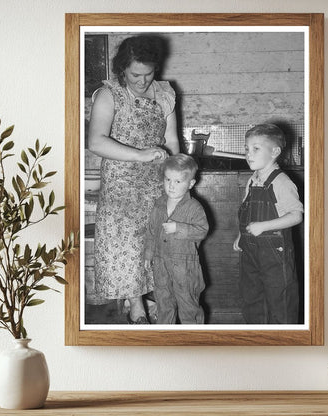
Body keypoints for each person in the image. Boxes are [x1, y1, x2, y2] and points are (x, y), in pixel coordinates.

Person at [88, 35, 180, 324]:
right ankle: (137, 306)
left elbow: (172, 141)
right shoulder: (109, 95)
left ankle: (154, 299)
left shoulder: (165, 95)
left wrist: (177, 174)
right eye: (135, 74)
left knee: (154, 242)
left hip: (156, 182)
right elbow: (96, 142)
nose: (142, 81)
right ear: (122, 70)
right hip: (121, 184)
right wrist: (140, 155)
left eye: (148, 73)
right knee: (126, 244)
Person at [233, 124, 303, 324]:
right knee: (252, 298)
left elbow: (296, 216)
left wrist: (263, 226)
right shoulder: (253, 180)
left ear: (275, 152)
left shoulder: (281, 182)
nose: (248, 154)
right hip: (251, 253)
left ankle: (284, 343)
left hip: (275, 255)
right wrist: (241, 235)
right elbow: (247, 214)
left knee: (280, 300)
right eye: (247, 149)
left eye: (256, 149)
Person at [144, 154, 209, 324]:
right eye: (167, 180)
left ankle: (193, 340)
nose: (171, 186)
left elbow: (202, 231)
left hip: (185, 266)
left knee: (188, 305)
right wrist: (148, 254)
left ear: (191, 184)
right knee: (164, 302)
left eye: (178, 182)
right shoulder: (158, 204)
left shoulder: (194, 207)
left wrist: (179, 228)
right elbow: (151, 231)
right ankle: (166, 337)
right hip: (160, 263)